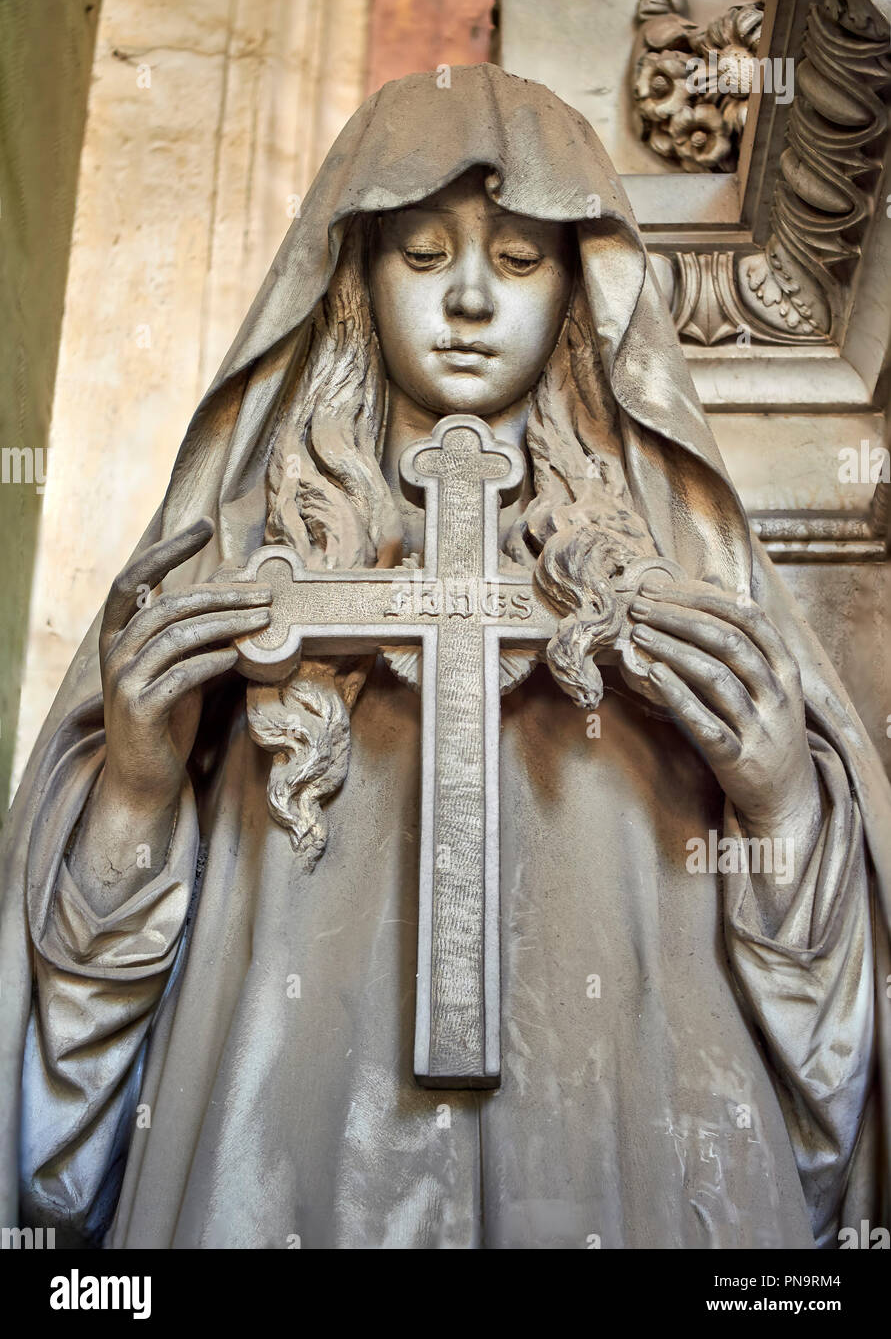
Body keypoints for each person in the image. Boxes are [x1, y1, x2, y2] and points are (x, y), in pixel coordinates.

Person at [2, 65, 889, 1249]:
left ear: (580, 288)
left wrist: (781, 795)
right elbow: (53, 1125)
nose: (470, 297)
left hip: (621, 1164)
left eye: (520, 260)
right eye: (422, 255)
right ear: (357, 279)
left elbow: (834, 1055)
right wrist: (137, 786)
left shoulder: (679, 597)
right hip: (281, 1176)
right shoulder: (237, 589)